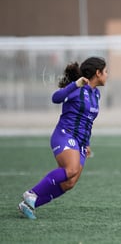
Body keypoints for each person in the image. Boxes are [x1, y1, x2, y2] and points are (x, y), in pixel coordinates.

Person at [18, 57, 108, 220]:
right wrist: (75, 84)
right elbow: (55, 98)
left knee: (69, 183)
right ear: (98, 73)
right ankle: (32, 193)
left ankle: (28, 205)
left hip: (80, 142)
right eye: (105, 71)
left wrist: (86, 144)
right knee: (71, 169)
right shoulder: (78, 88)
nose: (107, 75)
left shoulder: (96, 94)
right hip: (65, 135)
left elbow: (88, 121)